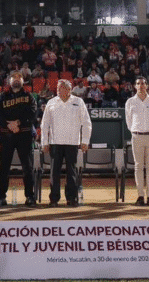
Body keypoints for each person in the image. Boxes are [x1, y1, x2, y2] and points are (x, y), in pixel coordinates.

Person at [41, 79, 92, 207]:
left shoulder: (78, 102)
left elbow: (86, 123)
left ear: (69, 89)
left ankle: (72, 198)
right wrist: (44, 142)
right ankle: (54, 199)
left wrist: (85, 141)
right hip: (55, 142)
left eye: (62, 88)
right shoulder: (51, 103)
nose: (59, 90)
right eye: (58, 88)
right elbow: (44, 124)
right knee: (54, 172)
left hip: (72, 142)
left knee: (72, 171)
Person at [0, 71, 38, 207]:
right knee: (4, 168)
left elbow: (33, 113)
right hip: (6, 135)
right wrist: (9, 124)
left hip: (24, 135)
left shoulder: (29, 96)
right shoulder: (2, 96)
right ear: (9, 80)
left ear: (23, 81)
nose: (17, 79)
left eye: (19, 77)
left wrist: (18, 123)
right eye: (14, 77)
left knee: (27, 167)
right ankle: (1, 197)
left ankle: (30, 197)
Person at [124, 76, 149, 205]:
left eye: (143, 83)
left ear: (147, 85)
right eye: (138, 83)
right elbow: (128, 121)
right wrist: (135, 130)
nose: (141, 86)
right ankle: (140, 196)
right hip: (137, 136)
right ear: (135, 86)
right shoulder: (130, 102)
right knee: (138, 166)